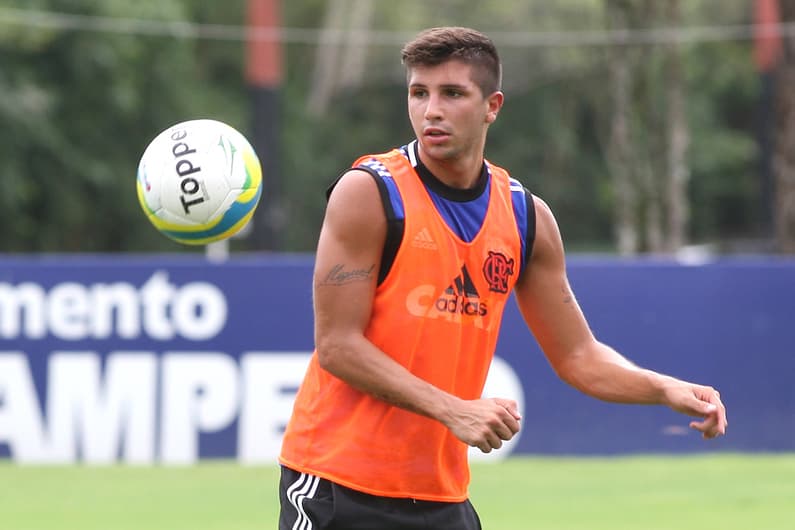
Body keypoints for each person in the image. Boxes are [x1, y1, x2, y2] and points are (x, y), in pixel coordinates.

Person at [278, 26, 727, 530]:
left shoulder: (524, 218)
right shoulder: (369, 194)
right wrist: (454, 410)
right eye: (418, 93)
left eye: (452, 94)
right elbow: (338, 345)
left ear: (492, 105)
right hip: (338, 486)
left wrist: (663, 388)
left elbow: (579, 355)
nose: (431, 111)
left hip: (442, 497)